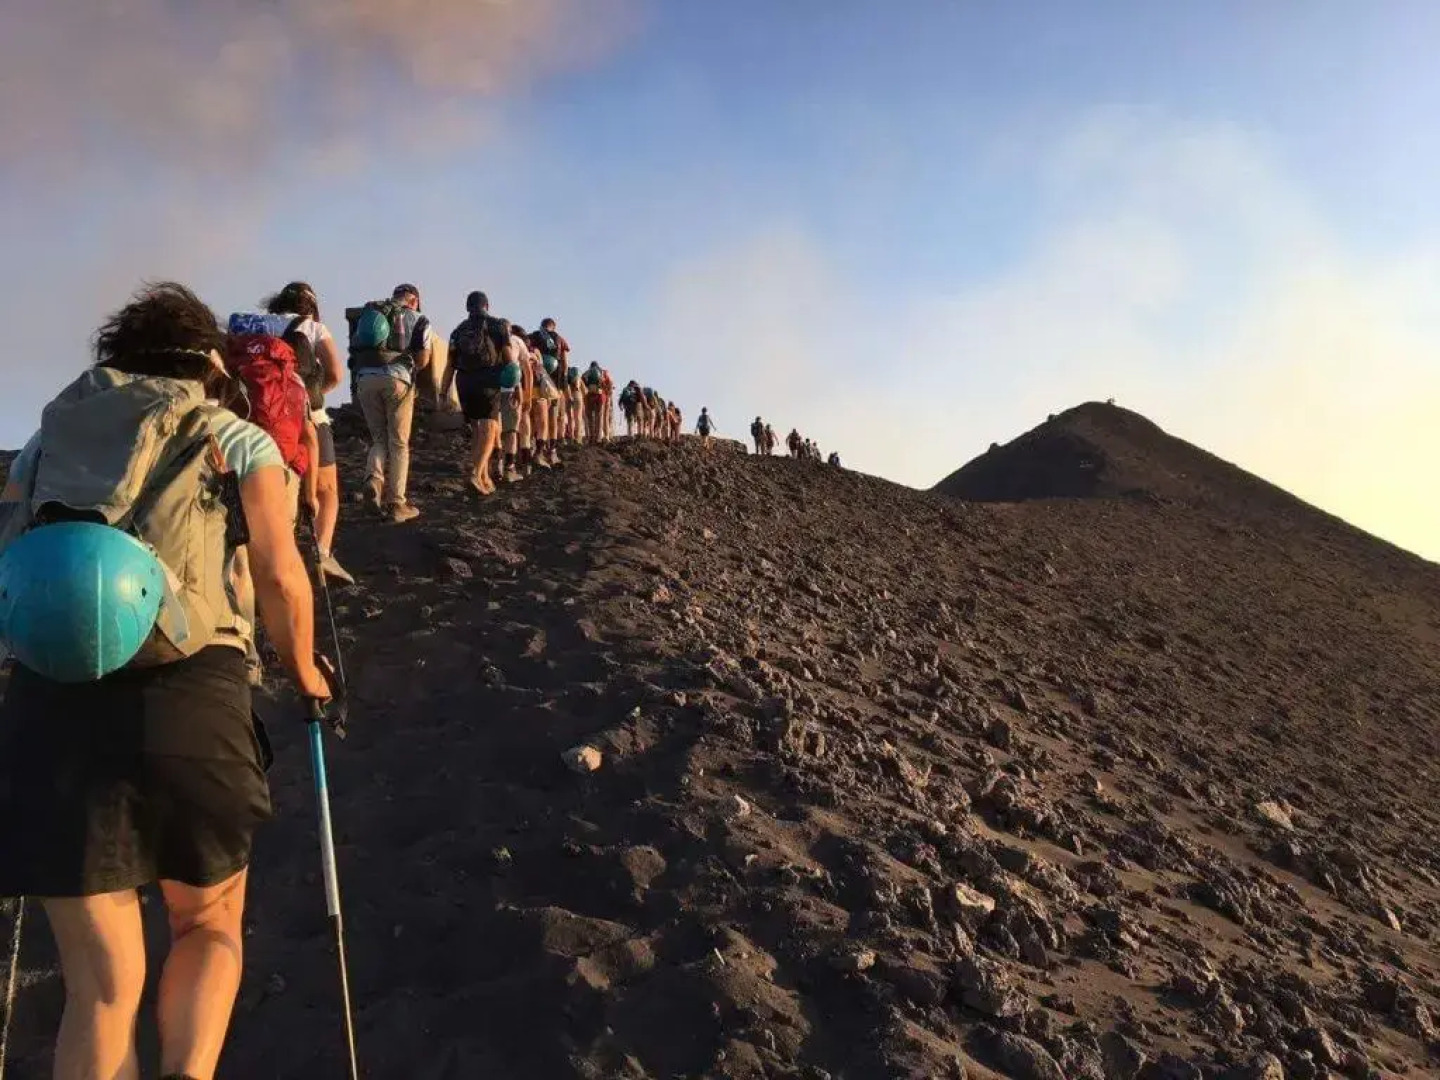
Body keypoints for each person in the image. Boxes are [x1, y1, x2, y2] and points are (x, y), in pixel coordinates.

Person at [0, 282, 332, 1080]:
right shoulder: (232, 435)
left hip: (51, 703)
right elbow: (281, 576)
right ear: (211, 364)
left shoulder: (47, 444)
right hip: (192, 699)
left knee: (98, 989)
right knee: (208, 923)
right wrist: (306, 671)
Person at [261, 282, 353, 585]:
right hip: (307, 418)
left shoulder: (257, 324)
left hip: (261, 418)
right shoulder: (313, 327)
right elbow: (336, 374)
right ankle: (321, 554)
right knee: (327, 493)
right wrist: (312, 396)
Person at [348, 283, 431, 523]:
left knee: (378, 438)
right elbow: (423, 359)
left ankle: (373, 480)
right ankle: (396, 503)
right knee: (399, 442)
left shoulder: (371, 312)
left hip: (365, 378)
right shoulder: (418, 318)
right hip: (397, 379)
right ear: (414, 300)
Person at [441, 291, 512, 498]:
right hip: (488, 381)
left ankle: (483, 476)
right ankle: (475, 473)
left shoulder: (458, 330)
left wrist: (443, 392)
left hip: (463, 382)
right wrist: (514, 386)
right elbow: (508, 359)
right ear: (487, 306)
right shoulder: (499, 325)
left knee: (477, 430)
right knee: (489, 428)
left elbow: (449, 365)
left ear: (467, 308)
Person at [501, 321, 532, 482]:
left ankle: (494, 467)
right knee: (511, 430)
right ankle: (509, 468)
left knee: (493, 429)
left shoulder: (491, 338)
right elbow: (527, 370)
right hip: (511, 390)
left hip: (491, 390)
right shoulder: (517, 341)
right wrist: (527, 394)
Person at [600, 367, 615, 441]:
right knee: (607, 418)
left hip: (602, 399)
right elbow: (610, 392)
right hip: (607, 399)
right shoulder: (609, 380)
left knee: (602, 417)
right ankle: (607, 436)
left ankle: (603, 435)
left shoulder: (601, 379)